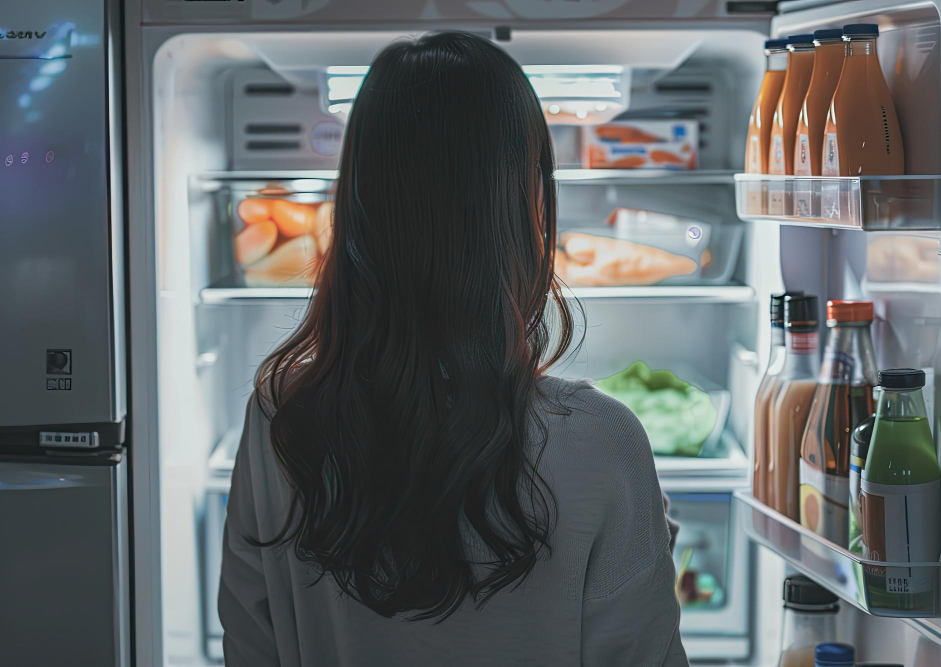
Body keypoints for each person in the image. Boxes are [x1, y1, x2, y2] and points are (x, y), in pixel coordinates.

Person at [219, 31, 687, 666]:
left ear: (356, 201)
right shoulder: (603, 440)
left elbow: (253, 646)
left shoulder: (280, 415)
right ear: (527, 205)